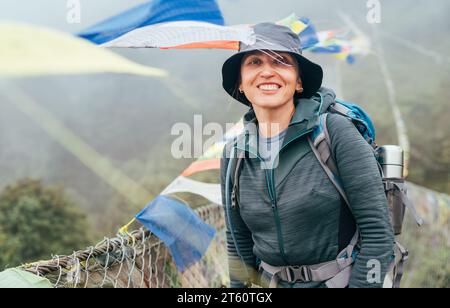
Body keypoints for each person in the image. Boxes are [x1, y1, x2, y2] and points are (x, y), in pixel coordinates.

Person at [220, 22, 395, 288]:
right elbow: (238, 246)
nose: (267, 71)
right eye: (255, 62)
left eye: (281, 62)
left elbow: (378, 236)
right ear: (241, 83)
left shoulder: (334, 133)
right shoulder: (234, 155)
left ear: (299, 81)